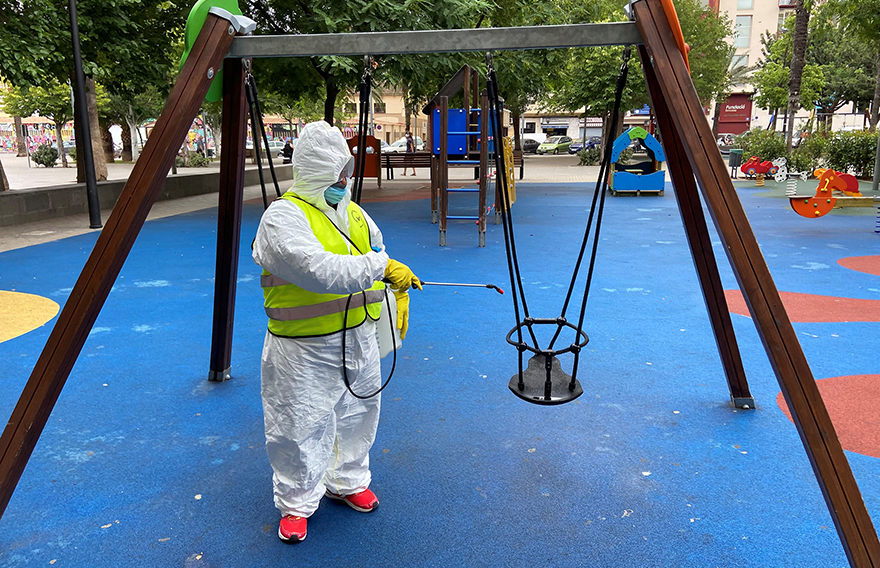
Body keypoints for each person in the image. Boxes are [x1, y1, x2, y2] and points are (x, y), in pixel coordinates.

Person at [252, 120, 421, 544]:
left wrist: (393, 287)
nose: (344, 181)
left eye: (347, 171)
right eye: (337, 174)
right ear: (313, 173)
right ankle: (296, 502)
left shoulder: (355, 212)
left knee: (358, 412)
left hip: (359, 336)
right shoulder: (282, 218)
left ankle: (347, 480)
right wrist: (382, 267)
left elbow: (377, 251)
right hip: (303, 349)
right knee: (298, 422)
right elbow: (319, 270)